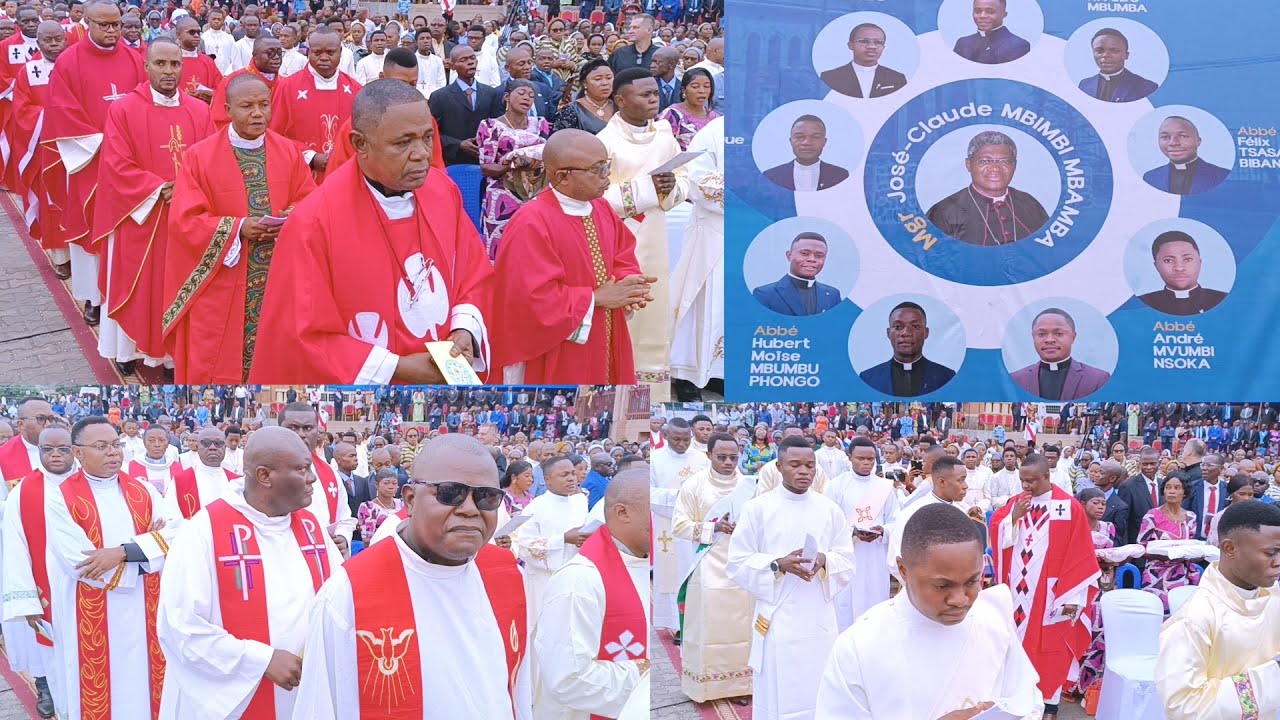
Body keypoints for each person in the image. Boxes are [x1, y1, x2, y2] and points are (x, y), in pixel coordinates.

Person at [249, 79, 494, 384]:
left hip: (444, 374)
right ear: (360, 144)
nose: (421, 154)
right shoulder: (313, 222)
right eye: (403, 142)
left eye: (427, 138)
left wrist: (464, 329)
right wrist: (397, 368)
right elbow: (301, 334)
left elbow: (473, 273)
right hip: (365, 385)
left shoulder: (442, 190)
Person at [294, 434, 532, 718]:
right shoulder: (348, 594)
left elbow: (518, 690)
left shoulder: (507, 574)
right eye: (450, 492)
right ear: (409, 498)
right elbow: (319, 707)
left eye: (487, 496)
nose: (470, 509)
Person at [156, 426, 341, 720]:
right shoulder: (205, 531)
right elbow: (180, 627)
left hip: (307, 690)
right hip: (236, 699)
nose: (312, 477)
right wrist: (261, 660)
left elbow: (338, 598)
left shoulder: (311, 526)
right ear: (265, 476)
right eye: (302, 469)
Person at [817, 503, 1042, 717]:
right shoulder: (860, 645)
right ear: (904, 570)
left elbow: (1028, 700)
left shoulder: (992, 621)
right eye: (942, 586)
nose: (960, 599)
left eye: (972, 581)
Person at [163, 73, 316, 383]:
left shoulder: (289, 152)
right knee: (218, 363)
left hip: (277, 275)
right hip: (224, 280)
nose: (257, 113)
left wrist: (286, 219)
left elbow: (309, 201)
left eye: (264, 105)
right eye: (247, 106)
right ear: (227, 109)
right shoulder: (199, 157)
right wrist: (237, 228)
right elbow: (185, 220)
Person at [93, 39, 215, 375]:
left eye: (175, 64)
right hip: (140, 215)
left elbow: (210, 161)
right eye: (160, 64)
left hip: (185, 215)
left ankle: (172, 356)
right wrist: (160, 187)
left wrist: (189, 189)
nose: (168, 71)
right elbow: (116, 164)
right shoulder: (124, 109)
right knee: (138, 285)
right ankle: (125, 349)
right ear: (146, 66)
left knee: (177, 284)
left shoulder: (199, 110)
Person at [493, 128, 652, 384]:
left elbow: (622, 253)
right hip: (561, 346)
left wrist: (628, 284)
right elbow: (529, 298)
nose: (606, 175)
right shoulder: (531, 222)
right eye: (597, 168)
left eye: (606, 165)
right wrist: (595, 299)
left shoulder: (600, 207)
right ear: (562, 176)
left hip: (606, 328)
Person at [46, 416, 179, 719]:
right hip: (92, 607)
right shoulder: (59, 497)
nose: (113, 453)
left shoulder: (142, 489)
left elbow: (175, 532)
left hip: (148, 604)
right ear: (77, 453)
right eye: (101, 446)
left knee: (150, 687)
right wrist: (148, 544)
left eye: (116, 445)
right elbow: (81, 562)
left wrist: (120, 552)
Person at [726, 435, 855, 719]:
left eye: (810, 465)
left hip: (818, 614)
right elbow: (736, 561)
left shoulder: (829, 509)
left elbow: (847, 559)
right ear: (778, 467)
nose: (804, 471)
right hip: (778, 614)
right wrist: (777, 564)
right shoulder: (758, 509)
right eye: (795, 465)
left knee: (818, 680)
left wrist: (823, 560)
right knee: (780, 687)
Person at [44, 0, 147, 327]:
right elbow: (63, 112)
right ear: (86, 23)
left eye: (116, 24)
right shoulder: (68, 62)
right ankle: (93, 297)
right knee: (91, 227)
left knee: (126, 230)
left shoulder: (134, 59)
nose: (112, 31)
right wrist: (105, 143)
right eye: (104, 25)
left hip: (129, 162)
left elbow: (145, 104)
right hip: (90, 160)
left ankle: (126, 294)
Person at [597, 66, 688, 396]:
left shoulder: (665, 136)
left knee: (654, 309)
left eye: (656, 92)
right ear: (621, 100)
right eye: (645, 94)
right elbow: (596, 195)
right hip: (620, 238)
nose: (655, 98)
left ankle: (653, 392)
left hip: (657, 235)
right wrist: (648, 189)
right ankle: (615, 383)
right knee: (624, 312)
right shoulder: (605, 142)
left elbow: (685, 180)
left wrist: (669, 188)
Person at [532, 468, 650, 719]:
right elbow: (569, 679)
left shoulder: (646, 563)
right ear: (622, 512)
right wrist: (646, 673)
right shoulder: (579, 580)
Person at [989, 453, 1101, 719]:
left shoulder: (1068, 506)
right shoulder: (1016, 503)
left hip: (1053, 591)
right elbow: (996, 530)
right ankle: (1016, 698)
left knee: (1052, 645)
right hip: (1017, 587)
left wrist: (1074, 595)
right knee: (1015, 642)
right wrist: (1012, 518)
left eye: (1032, 481)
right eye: (1022, 481)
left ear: (1047, 477)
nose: (1026, 486)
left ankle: (1049, 704)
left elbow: (1080, 553)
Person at [1157, 501, 1280, 719]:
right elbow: (1184, 706)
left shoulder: (1273, 594)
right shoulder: (1193, 619)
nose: (1278, 562)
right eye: (1271, 553)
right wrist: (1274, 674)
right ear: (1230, 548)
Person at [670, 433, 753, 703]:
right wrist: (713, 527)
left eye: (733, 457)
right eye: (722, 457)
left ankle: (742, 685)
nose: (729, 462)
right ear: (708, 455)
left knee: (743, 626)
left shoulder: (750, 486)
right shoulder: (694, 486)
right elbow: (679, 525)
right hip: (708, 565)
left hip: (743, 565)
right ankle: (707, 687)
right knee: (710, 627)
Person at [1, 424, 76, 719]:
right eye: (48, 450)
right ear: (38, 452)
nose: (55, 455)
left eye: (63, 449)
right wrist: (27, 600)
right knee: (55, 659)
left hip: (89, 588)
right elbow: (15, 549)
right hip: (46, 587)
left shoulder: (92, 482)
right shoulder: (24, 492)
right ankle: (62, 705)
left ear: (75, 450)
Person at [325, 48, 446, 177]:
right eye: (399, 83)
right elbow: (338, 173)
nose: (406, 90)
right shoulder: (359, 123)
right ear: (382, 77)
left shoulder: (426, 120)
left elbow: (436, 167)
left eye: (412, 84)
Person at [670, 116, 724, 397]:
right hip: (715, 230)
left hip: (758, 230)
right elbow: (698, 179)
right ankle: (689, 374)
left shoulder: (773, 129)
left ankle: (721, 371)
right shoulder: (714, 131)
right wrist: (748, 193)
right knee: (703, 300)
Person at [268, 27, 362, 184]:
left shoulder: (355, 89)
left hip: (345, 176)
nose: (323, 58)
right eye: (317, 53)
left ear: (340, 52)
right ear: (308, 52)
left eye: (330, 53)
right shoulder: (288, 87)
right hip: (301, 176)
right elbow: (274, 134)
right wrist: (309, 156)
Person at [5, 21, 62, 277]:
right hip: (45, 147)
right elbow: (22, 110)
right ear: (37, 42)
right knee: (52, 199)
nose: (53, 44)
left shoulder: (74, 67)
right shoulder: (29, 71)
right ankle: (61, 256)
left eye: (57, 39)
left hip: (81, 147)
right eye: (47, 40)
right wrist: (52, 117)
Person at [926, 130, 1049, 246]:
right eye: (985, 161)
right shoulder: (943, 213)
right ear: (968, 165)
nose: (995, 168)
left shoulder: (1030, 204)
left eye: (1004, 161)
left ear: (1014, 165)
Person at [827, 437, 901, 629]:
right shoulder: (836, 486)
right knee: (846, 605)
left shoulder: (884, 487)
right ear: (850, 457)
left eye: (870, 459)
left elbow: (896, 520)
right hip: (848, 554)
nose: (866, 463)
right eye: (860, 458)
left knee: (874, 600)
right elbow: (828, 522)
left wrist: (883, 531)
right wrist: (852, 532)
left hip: (875, 556)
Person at [475, 78, 552, 258]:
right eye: (522, 93)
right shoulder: (490, 126)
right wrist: (515, 163)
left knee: (533, 247)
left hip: (535, 192)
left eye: (531, 96)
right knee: (500, 248)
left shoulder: (540, 124)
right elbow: (486, 168)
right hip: (502, 195)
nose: (527, 98)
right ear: (507, 97)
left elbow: (546, 155)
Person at [512, 455, 590, 633]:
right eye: (564, 475)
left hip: (576, 577)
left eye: (572, 473)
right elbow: (524, 547)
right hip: (544, 581)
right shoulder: (536, 508)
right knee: (544, 631)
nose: (571, 478)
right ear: (547, 480)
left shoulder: (580, 502)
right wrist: (563, 539)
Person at [650, 419, 708, 633]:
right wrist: (679, 495)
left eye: (686, 439)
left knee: (695, 571)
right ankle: (675, 624)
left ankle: (695, 620)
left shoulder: (701, 459)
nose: (682, 443)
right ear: (666, 436)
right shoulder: (656, 460)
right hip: (668, 525)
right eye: (677, 439)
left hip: (696, 524)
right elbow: (650, 492)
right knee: (671, 573)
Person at [886, 454, 968, 582]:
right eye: (960, 480)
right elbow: (895, 560)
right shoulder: (913, 513)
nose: (965, 485)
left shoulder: (962, 513)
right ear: (942, 482)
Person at [1010, 308, 1112, 401]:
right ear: (1033, 337)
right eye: (1041, 334)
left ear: (1073, 337)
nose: (1049, 340)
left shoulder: (1097, 379)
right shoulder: (1016, 379)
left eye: (1058, 333)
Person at [858, 301, 958, 396]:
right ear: (888, 333)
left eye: (915, 326)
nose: (906, 333)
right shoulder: (868, 378)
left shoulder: (947, 376)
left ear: (926, 332)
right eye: (898, 327)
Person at [428, 45, 502, 166]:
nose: (470, 62)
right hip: (452, 162)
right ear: (452, 66)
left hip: (485, 162)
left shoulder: (491, 93)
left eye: (472, 58)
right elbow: (432, 133)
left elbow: (497, 126)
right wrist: (458, 144)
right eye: (463, 60)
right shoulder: (439, 97)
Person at [1137, 474, 1202, 611]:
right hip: (1155, 576)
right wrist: (1165, 556)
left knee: (1179, 616)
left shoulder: (1191, 517)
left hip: (1181, 575)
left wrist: (1195, 554)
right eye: (1168, 487)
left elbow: (1190, 546)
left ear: (1185, 492)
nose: (1171, 491)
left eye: (1177, 488)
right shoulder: (1152, 516)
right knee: (1156, 614)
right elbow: (1141, 547)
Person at [1136, 230, 1229, 316]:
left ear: (1199, 262)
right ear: (1156, 266)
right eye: (1168, 260)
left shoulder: (1223, 300)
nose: (1179, 268)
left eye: (1188, 259)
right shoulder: (1141, 304)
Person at [751, 231, 841, 316]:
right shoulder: (765, 294)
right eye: (804, 253)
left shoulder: (833, 295)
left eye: (819, 256)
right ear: (789, 256)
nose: (812, 259)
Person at [1142, 115, 1230, 195]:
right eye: (1165, 137)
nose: (1173, 143)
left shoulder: (1222, 175)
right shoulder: (1150, 177)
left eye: (1183, 136)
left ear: (1198, 141)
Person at [209, 35, 282, 129]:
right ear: (255, 55)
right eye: (270, 53)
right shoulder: (233, 81)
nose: (276, 57)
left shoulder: (286, 84)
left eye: (279, 53)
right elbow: (218, 121)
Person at [819, 22, 908, 98]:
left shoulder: (897, 78)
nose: (871, 47)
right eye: (864, 41)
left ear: (883, 47)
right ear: (850, 45)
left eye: (878, 42)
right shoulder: (829, 77)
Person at [761, 114, 848, 191]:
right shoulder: (771, 176)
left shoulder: (841, 175)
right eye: (800, 137)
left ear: (824, 142)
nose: (807, 142)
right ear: (791, 141)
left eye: (815, 137)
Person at [1077, 27, 1157, 102]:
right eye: (1099, 50)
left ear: (1126, 55)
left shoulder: (1146, 87)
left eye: (1114, 50)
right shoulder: (1084, 85)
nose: (1106, 55)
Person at [657, 66, 717, 151]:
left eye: (706, 86)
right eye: (695, 86)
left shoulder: (715, 118)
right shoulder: (672, 115)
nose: (702, 91)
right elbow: (660, 148)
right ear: (684, 90)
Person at [953, 0, 1031, 64]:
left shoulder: (1018, 45)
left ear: (1004, 14)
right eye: (977, 11)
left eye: (990, 12)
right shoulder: (962, 43)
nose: (982, 16)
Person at [552, 58, 614, 134]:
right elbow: (561, 141)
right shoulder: (571, 111)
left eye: (609, 78)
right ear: (584, 83)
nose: (605, 83)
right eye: (598, 79)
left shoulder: (621, 107)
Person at [172, 16, 218, 103]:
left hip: (203, 110)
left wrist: (210, 95)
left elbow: (220, 89)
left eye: (198, 32)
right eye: (191, 32)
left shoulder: (208, 61)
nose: (196, 35)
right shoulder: (171, 60)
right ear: (178, 35)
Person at [357, 469, 403, 539]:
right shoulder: (368, 508)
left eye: (394, 483)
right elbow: (367, 539)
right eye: (386, 483)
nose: (391, 486)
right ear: (376, 485)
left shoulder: (402, 504)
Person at [411, 29, 447, 98]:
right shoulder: (411, 60)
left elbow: (441, 83)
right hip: (416, 98)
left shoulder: (437, 60)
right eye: (422, 38)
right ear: (416, 42)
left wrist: (432, 97)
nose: (425, 41)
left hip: (435, 98)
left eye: (428, 38)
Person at [200, 7, 235, 75]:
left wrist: (228, 73)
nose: (216, 21)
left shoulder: (229, 38)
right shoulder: (203, 37)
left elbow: (233, 58)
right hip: (209, 73)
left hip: (227, 74)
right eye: (214, 19)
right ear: (208, 20)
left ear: (223, 21)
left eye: (219, 19)